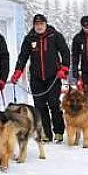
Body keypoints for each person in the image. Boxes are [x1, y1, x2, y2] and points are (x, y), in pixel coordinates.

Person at [11, 14, 70, 143]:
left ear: (45, 24)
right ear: (34, 25)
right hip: (37, 78)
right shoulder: (29, 39)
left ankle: (59, 132)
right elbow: (23, 57)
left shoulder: (55, 36)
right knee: (39, 106)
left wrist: (64, 68)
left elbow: (65, 52)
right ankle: (46, 134)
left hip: (53, 76)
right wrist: (17, 72)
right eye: (37, 24)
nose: (39, 26)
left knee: (54, 104)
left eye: (41, 24)